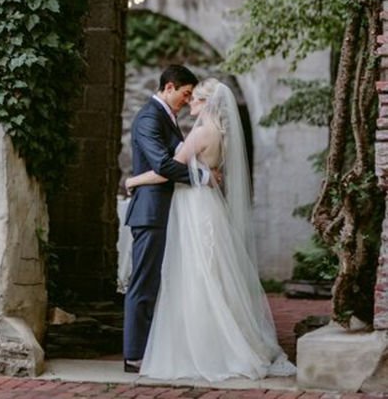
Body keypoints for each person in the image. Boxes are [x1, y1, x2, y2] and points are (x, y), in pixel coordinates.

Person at [125, 78, 295, 381]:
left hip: (193, 206)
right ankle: (218, 341)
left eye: (194, 99)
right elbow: (206, 171)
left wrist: (133, 181)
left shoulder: (201, 132)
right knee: (212, 273)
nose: (190, 103)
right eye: (188, 97)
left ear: (206, 103)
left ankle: (200, 348)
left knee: (192, 274)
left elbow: (166, 170)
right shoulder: (223, 134)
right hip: (210, 207)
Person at [123, 64, 201, 373]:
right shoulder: (148, 117)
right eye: (185, 94)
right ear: (169, 88)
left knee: (157, 281)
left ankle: (150, 348)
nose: (186, 100)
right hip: (150, 212)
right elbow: (162, 164)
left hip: (164, 211)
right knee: (143, 282)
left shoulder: (166, 117)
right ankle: (134, 355)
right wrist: (203, 176)